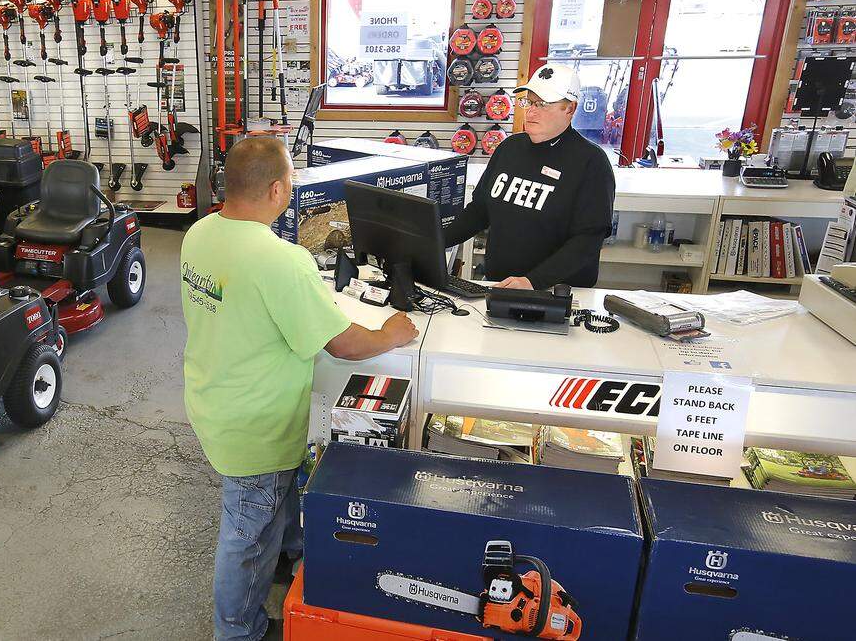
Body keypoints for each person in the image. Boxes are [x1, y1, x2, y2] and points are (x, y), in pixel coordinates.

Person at [181, 136, 419, 641]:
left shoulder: (199, 233)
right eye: (290, 180)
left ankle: (291, 560)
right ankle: (238, 630)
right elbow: (344, 346)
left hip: (214, 398)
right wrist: (390, 333)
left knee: (273, 506)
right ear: (275, 188)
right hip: (256, 425)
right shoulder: (281, 260)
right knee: (246, 535)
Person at [444, 63, 616, 290]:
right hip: (499, 286)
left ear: (570, 109)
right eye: (529, 102)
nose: (531, 111)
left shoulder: (591, 162)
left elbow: (587, 241)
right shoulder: (509, 148)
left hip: (556, 292)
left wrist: (533, 282)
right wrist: (435, 242)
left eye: (542, 104)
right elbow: (480, 211)